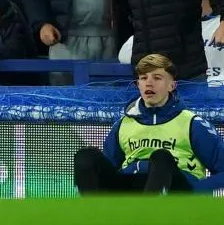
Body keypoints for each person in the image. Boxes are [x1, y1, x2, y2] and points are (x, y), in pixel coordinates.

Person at [74, 54, 224, 194]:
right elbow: (108, 169)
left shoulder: (192, 123)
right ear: (138, 84)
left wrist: (196, 190)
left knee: (161, 158)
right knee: (85, 156)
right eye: (144, 78)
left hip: (178, 192)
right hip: (131, 189)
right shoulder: (123, 124)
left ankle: (150, 215)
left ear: (172, 85)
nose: (149, 83)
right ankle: (95, 214)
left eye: (157, 78)